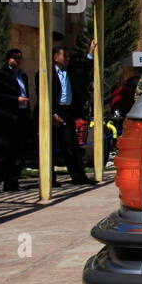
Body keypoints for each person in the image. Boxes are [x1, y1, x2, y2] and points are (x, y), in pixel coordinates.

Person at [38, 39, 98, 186]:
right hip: (52, 112)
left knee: (72, 147)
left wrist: (90, 53)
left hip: (67, 112)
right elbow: (42, 95)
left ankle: (78, 177)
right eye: (65, 56)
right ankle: (49, 179)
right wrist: (51, 113)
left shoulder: (71, 72)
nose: (68, 59)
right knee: (49, 148)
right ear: (55, 57)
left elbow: (85, 70)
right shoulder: (46, 73)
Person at [0, 47, 29, 194]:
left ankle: (12, 181)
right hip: (5, 117)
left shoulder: (23, 76)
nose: (17, 60)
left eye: (19, 57)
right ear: (8, 59)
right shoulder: (1, 74)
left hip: (19, 117)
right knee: (1, 152)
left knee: (17, 153)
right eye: (14, 57)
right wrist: (16, 100)